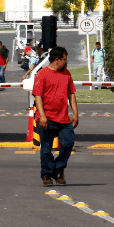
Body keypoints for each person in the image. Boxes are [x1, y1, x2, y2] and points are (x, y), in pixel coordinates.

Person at [32, 46, 78, 187]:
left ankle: (58, 170)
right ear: (57, 60)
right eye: (64, 59)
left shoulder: (67, 74)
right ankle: (46, 173)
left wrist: (75, 113)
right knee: (46, 148)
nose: (66, 62)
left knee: (68, 142)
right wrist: (43, 116)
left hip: (63, 118)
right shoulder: (42, 74)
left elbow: (71, 94)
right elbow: (37, 96)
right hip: (47, 117)